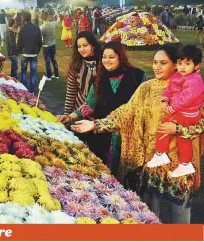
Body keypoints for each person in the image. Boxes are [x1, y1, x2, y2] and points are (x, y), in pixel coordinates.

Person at [70, 45, 203, 223]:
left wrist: (178, 130)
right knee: (148, 212)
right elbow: (126, 112)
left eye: (163, 63)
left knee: (180, 213)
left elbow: (201, 123)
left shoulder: (192, 89)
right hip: (151, 159)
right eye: (155, 62)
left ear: (176, 65)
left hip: (180, 163)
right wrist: (95, 124)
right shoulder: (146, 88)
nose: (157, 67)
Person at [57, 41, 146, 176]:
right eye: (104, 57)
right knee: (106, 171)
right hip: (103, 133)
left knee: (130, 174)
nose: (107, 60)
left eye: (111, 57)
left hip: (130, 135)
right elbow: (89, 105)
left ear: (120, 57)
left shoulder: (137, 76)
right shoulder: (99, 78)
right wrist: (70, 117)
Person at [147, 45, 204, 178]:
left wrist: (172, 108)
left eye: (187, 64)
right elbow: (169, 89)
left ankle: (160, 154)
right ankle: (185, 164)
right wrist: (165, 100)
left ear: (196, 66)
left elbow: (186, 98)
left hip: (188, 114)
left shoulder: (194, 81)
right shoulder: (178, 76)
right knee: (183, 139)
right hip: (182, 113)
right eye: (180, 63)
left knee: (163, 127)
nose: (182, 67)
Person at [63, 31, 100, 115]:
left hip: (100, 113)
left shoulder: (103, 63)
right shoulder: (76, 65)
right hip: (79, 111)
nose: (82, 49)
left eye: (85, 45)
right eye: (79, 46)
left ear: (93, 45)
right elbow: (71, 93)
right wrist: (67, 115)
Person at [17, 11, 42, 93]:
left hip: (25, 53)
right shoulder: (36, 27)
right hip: (34, 53)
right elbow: (40, 41)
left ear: (23, 18)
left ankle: (24, 89)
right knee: (33, 73)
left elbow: (19, 41)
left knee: (24, 71)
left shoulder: (21, 27)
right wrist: (37, 51)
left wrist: (19, 50)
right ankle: (32, 91)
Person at [40, 12, 60, 81]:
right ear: (48, 17)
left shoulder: (41, 27)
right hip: (53, 44)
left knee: (47, 62)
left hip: (46, 46)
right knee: (54, 60)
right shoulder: (53, 24)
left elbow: (40, 38)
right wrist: (57, 15)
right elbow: (58, 21)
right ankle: (56, 75)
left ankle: (49, 76)